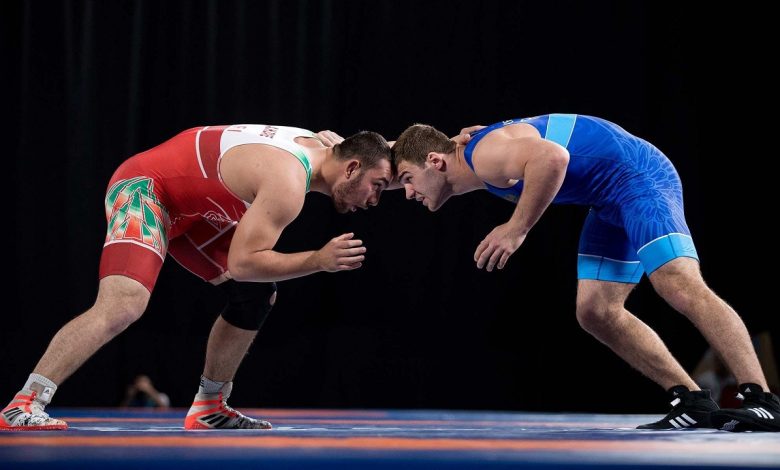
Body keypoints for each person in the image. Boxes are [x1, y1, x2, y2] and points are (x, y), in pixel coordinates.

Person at [391, 115, 780, 432]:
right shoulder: (457, 153)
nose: (405, 192)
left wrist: (516, 228)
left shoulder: (484, 154)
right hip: (606, 199)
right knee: (595, 311)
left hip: (638, 177)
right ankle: (692, 401)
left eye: (407, 180)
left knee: (678, 284)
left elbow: (552, 158)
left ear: (435, 162)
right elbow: (386, 153)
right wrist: (348, 163)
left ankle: (763, 398)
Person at [1, 125, 392, 431]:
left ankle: (210, 407)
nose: (376, 199)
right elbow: (243, 264)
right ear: (352, 167)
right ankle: (24, 404)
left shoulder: (329, 146)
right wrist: (318, 260)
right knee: (124, 304)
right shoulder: (289, 182)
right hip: (146, 187)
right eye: (377, 187)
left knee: (255, 296)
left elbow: (393, 151)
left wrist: (425, 166)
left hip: (193, 209)